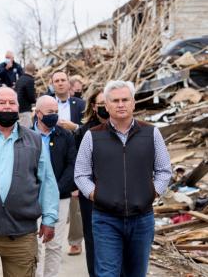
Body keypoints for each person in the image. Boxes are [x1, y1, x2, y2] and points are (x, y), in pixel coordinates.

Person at [75, 80, 172, 277]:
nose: (121, 104)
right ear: (106, 105)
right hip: (105, 218)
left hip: (142, 218)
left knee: (136, 273)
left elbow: (164, 170)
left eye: (125, 100)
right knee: (107, 273)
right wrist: (96, 195)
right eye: (115, 100)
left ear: (133, 103)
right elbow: (81, 174)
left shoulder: (151, 133)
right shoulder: (92, 136)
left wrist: (151, 193)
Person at [0, 87, 59, 277]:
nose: (7, 107)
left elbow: (47, 181)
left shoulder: (34, 140)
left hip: (21, 235)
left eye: (11, 103)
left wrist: (49, 219)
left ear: (18, 107)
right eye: (2, 102)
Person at [33, 95, 77, 277]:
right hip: (33, 198)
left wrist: (56, 189)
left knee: (54, 245)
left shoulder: (65, 136)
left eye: (56, 112)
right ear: (38, 113)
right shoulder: (26, 135)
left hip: (59, 197)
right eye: (50, 112)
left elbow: (72, 165)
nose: (54, 116)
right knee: (36, 246)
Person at [73, 87, 109, 277]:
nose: (106, 107)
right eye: (101, 104)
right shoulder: (85, 133)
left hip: (117, 194)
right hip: (92, 195)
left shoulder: (121, 128)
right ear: (94, 107)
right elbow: (78, 166)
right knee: (93, 238)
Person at [50, 71, 86, 255]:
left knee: (75, 200)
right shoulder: (47, 103)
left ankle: (75, 240)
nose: (60, 83)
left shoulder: (80, 104)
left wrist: (74, 127)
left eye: (63, 80)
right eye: (56, 81)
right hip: (54, 153)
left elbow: (87, 128)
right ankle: (50, 236)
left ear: (69, 84)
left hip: (77, 153)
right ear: (52, 84)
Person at [15, 63, 36, 128]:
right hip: (25, 109)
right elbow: (31, 96)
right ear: (34, 70)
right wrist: (36, 101)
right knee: (25, 130)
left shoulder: (19, 79)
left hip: (18, 108)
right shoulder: (30, 80)